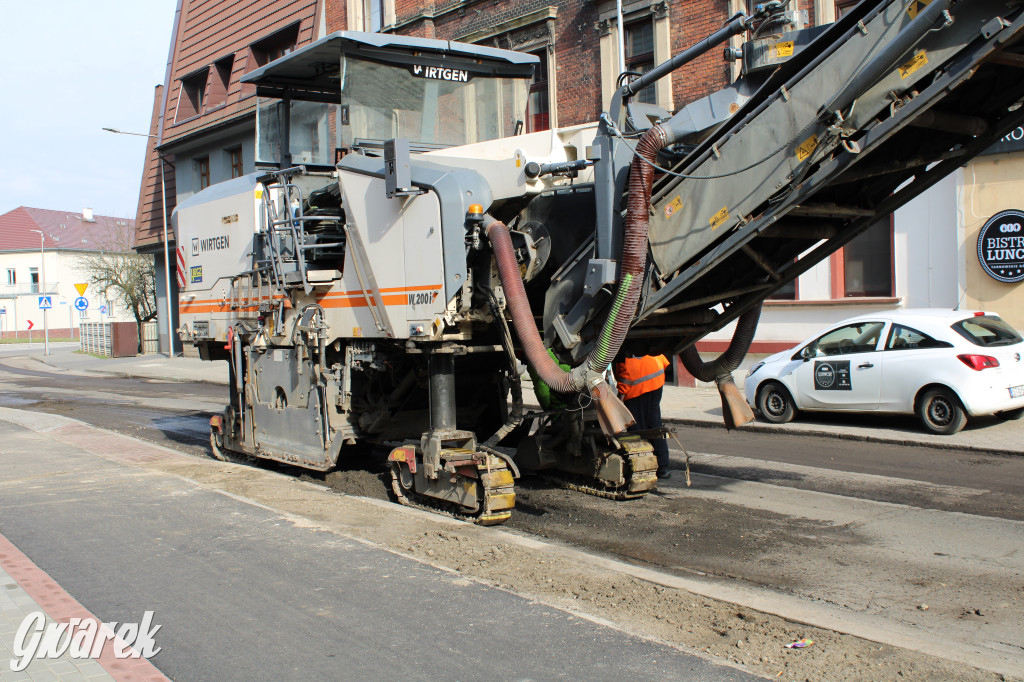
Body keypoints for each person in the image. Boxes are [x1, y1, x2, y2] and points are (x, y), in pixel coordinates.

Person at [613, 354, 671, 479]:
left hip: (637, 388)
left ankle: (642, 464)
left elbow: (627, 374)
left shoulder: (621, 348)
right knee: (655, 424)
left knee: (638, 429)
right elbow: (664, 361)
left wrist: (621, 396)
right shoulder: (643, 344)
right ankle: (663, 467)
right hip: (657, 381)